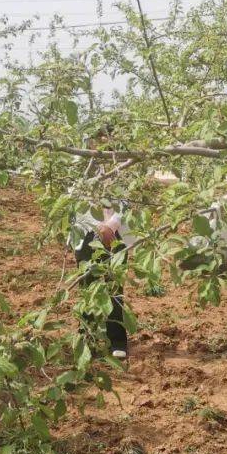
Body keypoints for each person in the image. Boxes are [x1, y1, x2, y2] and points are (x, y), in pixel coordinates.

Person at [68, 128, 130, 360]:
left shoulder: (122, 169)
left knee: (114, 290)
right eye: (97, 141)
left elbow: (128, 202)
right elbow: (72, 203)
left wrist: (111, 225)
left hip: (114, 238)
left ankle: (117, 340)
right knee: (88, 288)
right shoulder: (82, 170)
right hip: (86, 235)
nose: (101, 147)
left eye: (107, 141)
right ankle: (88, 338)